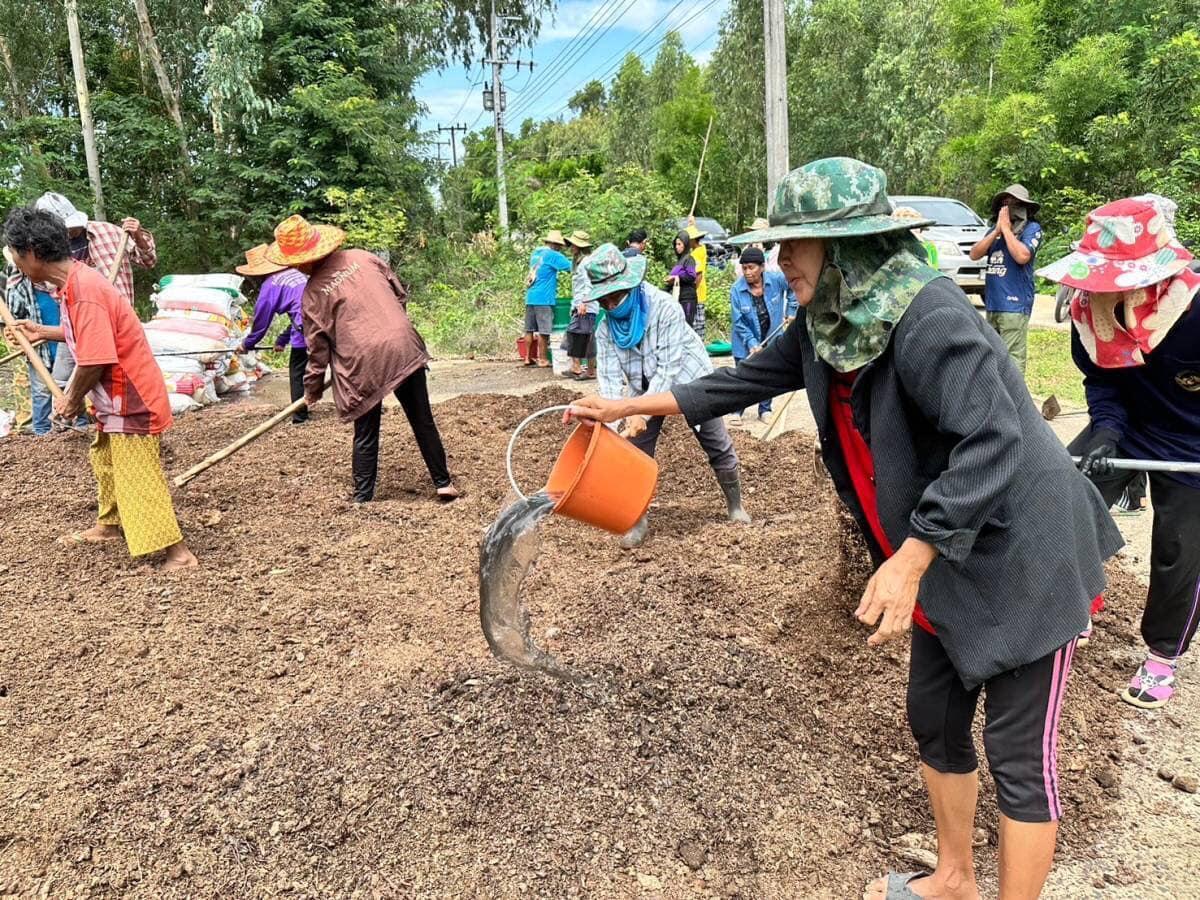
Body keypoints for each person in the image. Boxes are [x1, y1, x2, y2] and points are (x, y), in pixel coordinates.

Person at [568, 158, 1122, 900]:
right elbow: (739, 380)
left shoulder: (930, 319)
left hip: (1025, 549)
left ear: (853, 246)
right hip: (944, 549)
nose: (779, 257)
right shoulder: (830, 323)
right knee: (935, 718)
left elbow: (993, 441)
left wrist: (912, 555)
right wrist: (623, 407)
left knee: (1017, 755)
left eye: (797, 241)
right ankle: (955, 878)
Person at [1038, 195, 1200, 710]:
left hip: (1193, 441)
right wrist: (1107, 432)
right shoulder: (1088, 312)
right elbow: (1102, 383)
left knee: (1182, 549)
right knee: (1057, 498)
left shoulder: (1195, 312)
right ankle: (1074, 605)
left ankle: (1162, 657)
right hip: (1128, 425)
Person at [3, 207, 196, 570]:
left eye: (15, 253)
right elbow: (88, 334)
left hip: (131, 396)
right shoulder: (75, 284)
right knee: (105, 459)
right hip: (116, 398)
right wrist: (43, 332)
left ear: (31, 253)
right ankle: (110, 525)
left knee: (137, 472)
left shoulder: (85, 291)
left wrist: (71, 399)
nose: (14, 260)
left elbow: (95, 357)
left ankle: (178, 553)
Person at [264, 215, 460, 504]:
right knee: (422, 419)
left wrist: (312, 391)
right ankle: (443, 482)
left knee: (365, 430)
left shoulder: (313, 295)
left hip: (363, 362)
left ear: (301, 262)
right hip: (403, 345)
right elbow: (400, 293)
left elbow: (316, 353)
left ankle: (363, 496)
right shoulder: (363, 257)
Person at [586, 243, 750, 549]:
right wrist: (610, 427)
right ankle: (636, 518)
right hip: (641, 386)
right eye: (604, 299)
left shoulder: (664, 309)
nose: (611, 304)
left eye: (616, 296)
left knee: (715, 439)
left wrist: (639, 412)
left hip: (687, 377)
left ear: (632, 286)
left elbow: (668, 368)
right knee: (633, 450)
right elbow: (608, 384)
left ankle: (736, 506)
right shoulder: (605, 330)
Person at [968, 184, 1043, 375]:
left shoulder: (1032, 228)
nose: (1009, 207)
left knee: (1012, 359)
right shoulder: (996, 230)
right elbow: (974, 254)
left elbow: (1022, 256)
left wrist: (1008, 231)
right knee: (993, 355)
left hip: (1015, 305)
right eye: (1005, 203)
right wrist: (996, 231)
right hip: (993, 304)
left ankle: (1015, 401)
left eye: (1014, 203)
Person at [235, 244, 310, 424]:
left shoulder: (270, 285)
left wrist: (246, 344)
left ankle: (300, 416)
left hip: (308, 325)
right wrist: (283, 339)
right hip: (324, 318)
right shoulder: (295, 272)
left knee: (297, 371)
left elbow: (261, 324)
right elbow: (298, 311)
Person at [729, 246, 796, 425]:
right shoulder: (737, 289)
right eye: (744, 268)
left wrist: (791, 310)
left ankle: (765, 409)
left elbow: (793, 287)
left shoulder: (776, 280)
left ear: (762, 267)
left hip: (771, 336)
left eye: (751, 267)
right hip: (744, 342)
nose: (747, 272)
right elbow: (739, 322)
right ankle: (737, 411)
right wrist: (751, 342)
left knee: (769, 375)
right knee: (743, 375)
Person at [3, 253, 59, 435]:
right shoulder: (20, 287)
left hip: (65, 349)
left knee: (68, 390)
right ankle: (41, 434)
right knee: (41, 393)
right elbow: (14, 320)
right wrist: (16, 333)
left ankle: (75, 431)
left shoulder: (59, 285)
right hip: (39, 351)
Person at [523, 230, 571, 368]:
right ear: (556, 245)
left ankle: (527, 357)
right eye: (560, 246)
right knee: (544, 331)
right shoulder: (553, 255)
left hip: (531, 296)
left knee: (529, 329)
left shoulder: (536, 254)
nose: (561, 248)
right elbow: (570, 267)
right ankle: (543, 359)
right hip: (544, 298)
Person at [564, 230, 597, 380]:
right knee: (583, 336)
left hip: (586, 305)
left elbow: (588, 284)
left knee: (579, 335)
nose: (571, 247)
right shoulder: (578, 262)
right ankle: (584, 368)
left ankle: (580, 367)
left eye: (573, 245)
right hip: (580, 304)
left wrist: (584, 302)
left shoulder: (586, 262)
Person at [665, 230, 700, 326]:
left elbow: (691, 276)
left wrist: (676, 277)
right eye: (676, 244)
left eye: (679, 244)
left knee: (686, 325)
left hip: (687, 298)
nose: (677, 247)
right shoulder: (679, 261)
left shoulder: (689, 259)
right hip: (678, 297)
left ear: (685, 244)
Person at [686, 223, 708, 338]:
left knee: (697, 324)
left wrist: (692, 292)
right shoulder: (702, 248)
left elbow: (698, 274)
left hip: (697, 293)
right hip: (700, 292)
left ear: (693, 240)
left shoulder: (695, 254)